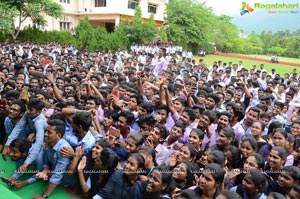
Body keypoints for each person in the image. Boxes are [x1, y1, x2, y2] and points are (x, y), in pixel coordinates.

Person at [33, 119, 76, 199]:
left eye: (49, 132)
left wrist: (44, 196)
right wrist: (45, 171)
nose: (45, 134)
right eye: (46, 131)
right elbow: (46, 162)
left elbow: (58, 174)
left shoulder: (64, 149)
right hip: (53, 172)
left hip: (65, 180)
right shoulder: (48, 142)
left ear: (59, 135)